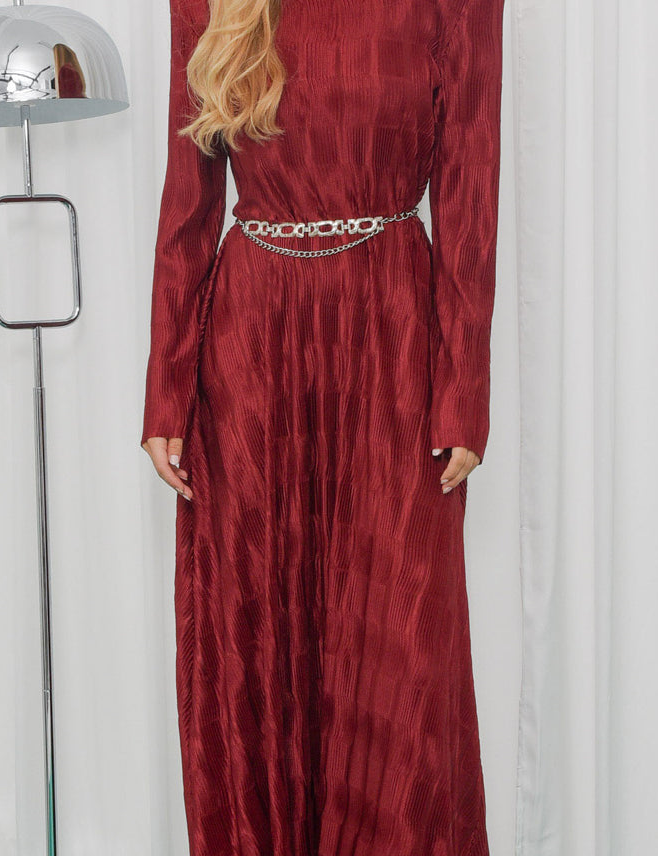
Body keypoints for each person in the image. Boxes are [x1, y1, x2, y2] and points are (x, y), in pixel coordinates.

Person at [139, 0, 504, 852]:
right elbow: (188, 200)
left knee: (400, 648)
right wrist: (167, 388)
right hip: (250, 352)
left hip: (393, 341)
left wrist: (464, 390)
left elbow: (471, 180)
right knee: (259, 639)